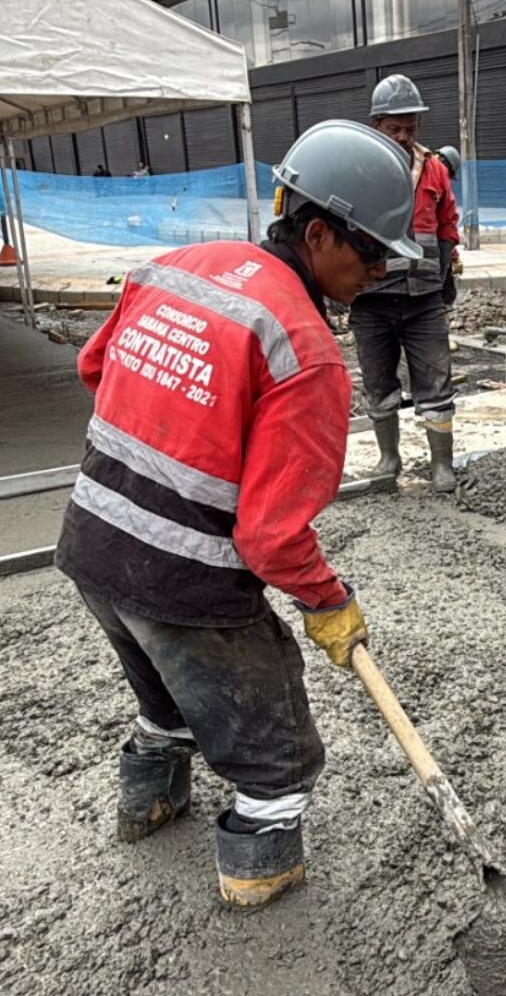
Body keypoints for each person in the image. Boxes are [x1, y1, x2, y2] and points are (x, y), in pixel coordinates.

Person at [54, 119, 420, 909]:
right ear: (317, 233)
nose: (381, 270)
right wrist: (328, 601)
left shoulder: (173, 268)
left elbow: (95, 367)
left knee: (169, 699)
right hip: (183, 580)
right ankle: (259, 873)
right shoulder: (306, 352)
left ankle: (149, 801)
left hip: (91, 543)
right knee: (276, 750)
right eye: (371, 251)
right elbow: (270, 537)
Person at [352, 74, 462, 491]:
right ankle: (388, 458)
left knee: (436, 379)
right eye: (394, 128)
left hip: (423, 299)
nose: (402, 136)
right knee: (378, 381)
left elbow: (447, 223)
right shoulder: (358, 170)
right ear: (377, 125)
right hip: (371, 299)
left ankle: (441, 465)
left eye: (409, 128)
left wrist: (445, 272)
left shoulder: (433, 170)